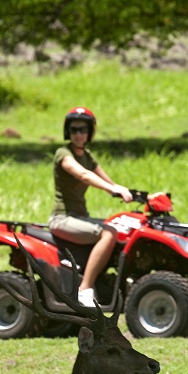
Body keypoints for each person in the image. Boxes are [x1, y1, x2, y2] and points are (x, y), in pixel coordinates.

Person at [49, 107, 133, 307]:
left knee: (122, 231)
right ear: (68, 132)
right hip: (63, 219)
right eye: (74, 129)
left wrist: (131, 193)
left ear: (90, 132)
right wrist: (112, 189)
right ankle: (85, 288)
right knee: (109, 233)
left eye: (83, 130)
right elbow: (83, 175)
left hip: (79, 218)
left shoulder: (87, 156)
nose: (78, 134)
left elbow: (109, 183)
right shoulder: (63, 153)